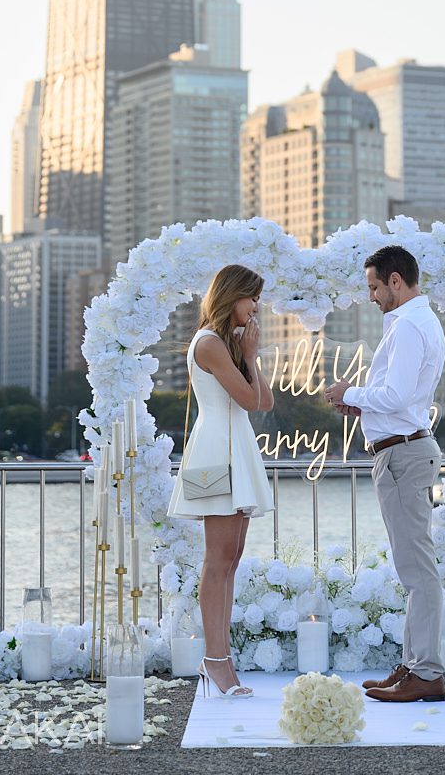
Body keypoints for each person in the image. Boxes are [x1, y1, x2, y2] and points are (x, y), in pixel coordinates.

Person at [325, 244, 445, 703]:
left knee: (418, 570)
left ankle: (427, 673)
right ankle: (417, 666)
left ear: (396, 281)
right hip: (402, 450)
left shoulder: (411, 325)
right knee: (413, 567)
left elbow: (395, 395)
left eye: (375, 287)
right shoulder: (412, 323)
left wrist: (350, 391)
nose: (372, 296)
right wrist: (359, 404)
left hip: (404, 456)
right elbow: (400, 399)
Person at [167, 264, 274, 698]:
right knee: (218, 559)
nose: (256, 308)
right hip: (214, 452)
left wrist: (250, 357)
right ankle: (214, 661)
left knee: (231, 558)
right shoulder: (209, 343)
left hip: (235, 450)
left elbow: (264, 400)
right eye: (252, 299)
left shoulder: (226, 345)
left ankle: (220, 659)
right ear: (234, 297)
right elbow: (248, 401)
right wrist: (248, 356)